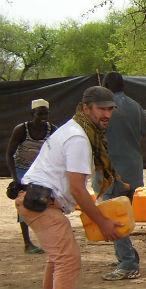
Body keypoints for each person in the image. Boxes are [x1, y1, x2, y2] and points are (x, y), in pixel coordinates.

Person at [15, 86, 124, 289]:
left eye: (110, 109)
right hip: (41, 203)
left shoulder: (75, 129)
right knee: (68, 260)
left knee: (58, 258)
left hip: (40, 200)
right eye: (101, 109)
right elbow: (77, 188)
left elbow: (75, 188)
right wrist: (102, 222)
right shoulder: (78, 138)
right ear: (85, 107)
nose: (107, 114)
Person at [91, 72, 146, 281]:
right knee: (122, 216)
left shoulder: (101, 110)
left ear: (105, 86)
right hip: (133, 171)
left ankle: (127, 263)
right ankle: (127, 255)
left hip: (111, 172)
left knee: (113, 218)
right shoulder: (136, 106)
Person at [5, 99, 57, 255]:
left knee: (45, 202)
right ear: (32, 114)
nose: (43, 116)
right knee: (24, 202)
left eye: (45, 113)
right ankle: (27, 243)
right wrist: (16, 179)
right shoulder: (21, 130)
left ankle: (47, 239)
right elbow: (9, 154)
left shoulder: (52, 129)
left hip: (40, 170)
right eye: (39, 113)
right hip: (22, 169)